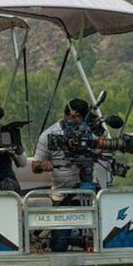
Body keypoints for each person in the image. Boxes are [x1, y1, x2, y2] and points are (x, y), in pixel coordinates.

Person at [32, 98, 92, 251]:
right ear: (68, 115)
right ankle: (68, 237)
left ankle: (83, 240)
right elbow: (34, 166)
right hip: (62, 195)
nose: (77, 122)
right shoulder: (50, 135)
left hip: (89, 191)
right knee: (59, 245)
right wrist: (44, 165)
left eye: (81, 118)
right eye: (74, 117)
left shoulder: (91, 131)